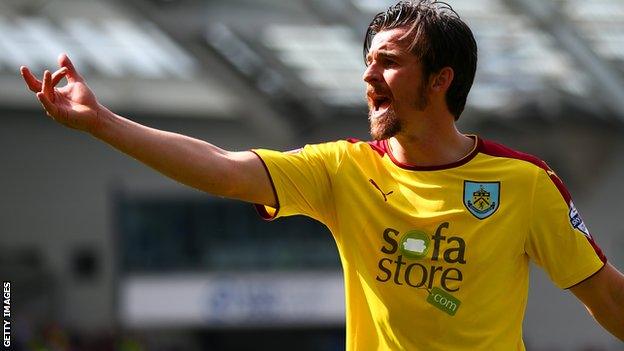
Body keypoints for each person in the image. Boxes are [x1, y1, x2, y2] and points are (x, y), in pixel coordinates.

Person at [20, 1, 623, 350]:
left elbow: (604, 297)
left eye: (389, 63)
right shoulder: (343, 169)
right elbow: (226, 171)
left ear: (441, 79)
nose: (369, 78)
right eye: (367, 63)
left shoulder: (523, 183)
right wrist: (101, 123)